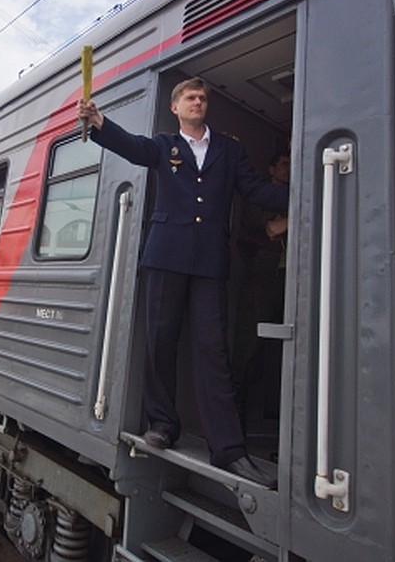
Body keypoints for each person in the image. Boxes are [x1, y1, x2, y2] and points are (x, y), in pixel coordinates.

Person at [77, 77, 289, 489]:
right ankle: (163, 423)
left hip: (209, 262)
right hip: (165, 257)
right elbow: (132, 147)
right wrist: (99, 121)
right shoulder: (162, 146)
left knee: (213, 350)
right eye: (190, 97)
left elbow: (257, 189)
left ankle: (229, 449)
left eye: (203, 97)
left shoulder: (229, 150)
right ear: (175, 108)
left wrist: (308, 189)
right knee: (161, 340)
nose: (197, 101)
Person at [232, 151, 291, 425]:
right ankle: (236, 414)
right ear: (271, 169)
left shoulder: (296, 196)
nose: (289, 169)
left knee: (280, 352)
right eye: (284, 163)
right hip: (261, 278)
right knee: (249, 347)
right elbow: (270, 229)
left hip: (287, 279)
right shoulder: (261, 196)